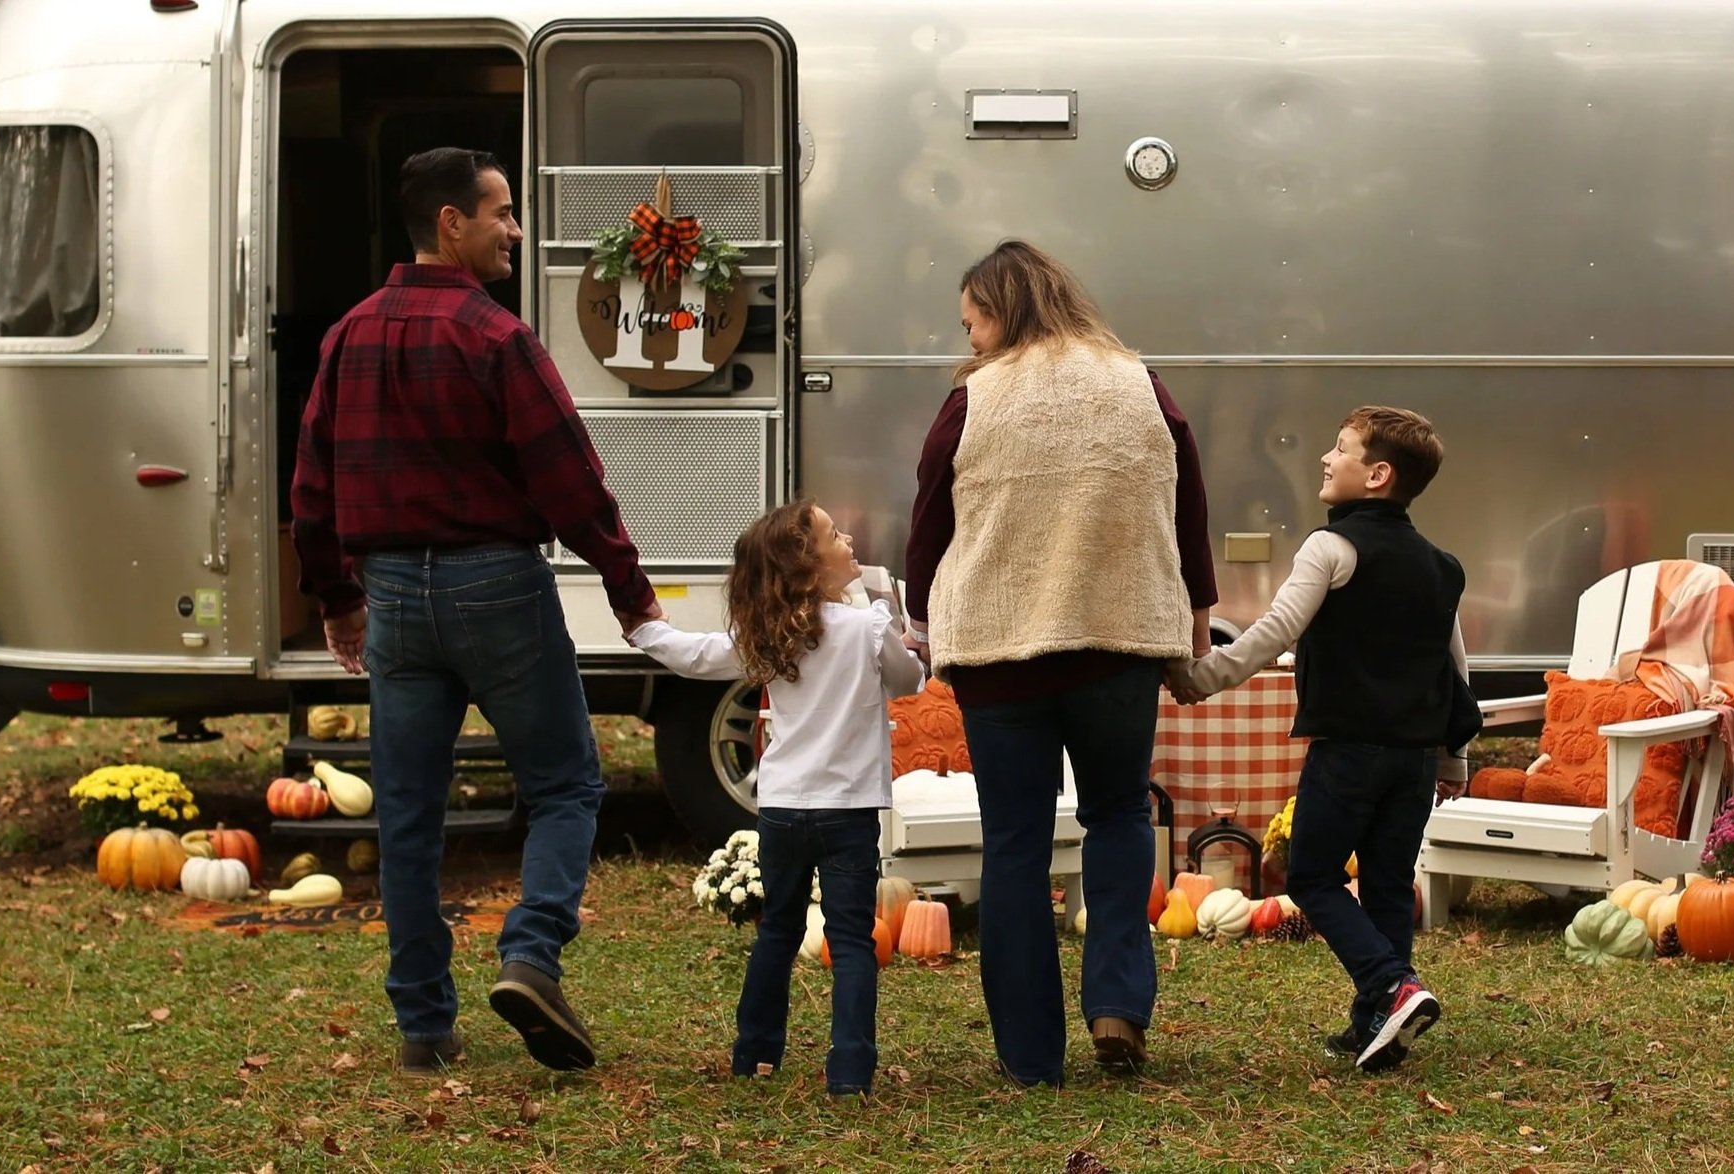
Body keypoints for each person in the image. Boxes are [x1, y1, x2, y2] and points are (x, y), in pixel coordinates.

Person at [290, 146, 663, 1075]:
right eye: (500, 212)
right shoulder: (498, 338)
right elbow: (571, 477)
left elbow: (311, 487)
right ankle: (531, 954)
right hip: (495, 583)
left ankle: (424, 1027)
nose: (514, 229)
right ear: (450, 224)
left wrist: (338, 596)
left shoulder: (346, 337)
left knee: (407, 817)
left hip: (395, 603)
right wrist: (628, 588)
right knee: (568, 784)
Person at [903, 240, 1216, 1087]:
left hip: (1001, 657)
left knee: (1014, 844)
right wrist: (1195, 619)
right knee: (1118, 817)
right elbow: (1185, 502)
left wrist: (925, 616)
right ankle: (1117, 1003)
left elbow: (931, 517)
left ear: (1000, 311)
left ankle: (1030, 1054)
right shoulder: (1138, 384)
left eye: (970, 323)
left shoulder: (972, 400)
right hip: (1116, 647)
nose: (967, 341)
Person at [1181, 406, 1480, 1072]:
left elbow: (1275, 630)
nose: (1324, 457)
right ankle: (1377, 1025)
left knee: (1311, 876)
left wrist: (1203, 677)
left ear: (1376, 475)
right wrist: (1453, 756)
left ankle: (1393, 984)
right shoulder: (1442, 565)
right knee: (1388, 887)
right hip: (1412, 760)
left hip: (1349, 751)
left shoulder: (1331, 547)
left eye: (1339, 449)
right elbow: (1453, 667)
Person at [627, 500, 924, 1095]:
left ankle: (755, 1055)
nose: (849, 539)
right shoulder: (865, 628)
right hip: (848, 809)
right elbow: (910, 679)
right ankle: (849, 1072)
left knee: (778, 932)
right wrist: (889, 615)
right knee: (850, 940)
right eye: (834, 535)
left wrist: (645, 629)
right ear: (810, 568)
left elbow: (697, 655)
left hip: (783, 808)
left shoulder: (769, 634)